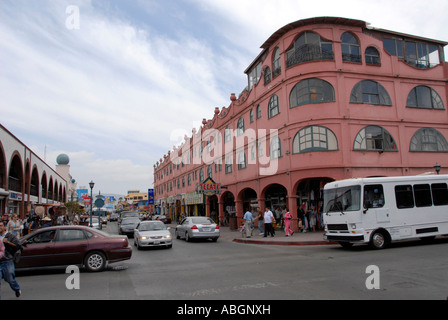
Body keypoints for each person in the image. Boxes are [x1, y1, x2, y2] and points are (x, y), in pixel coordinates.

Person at [0, 221, 22, 298]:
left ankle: (16, 289)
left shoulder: (10, 236)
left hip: (7, 260)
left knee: (9, 279)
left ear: (5, 227)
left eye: (1, 226)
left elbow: (18, 246)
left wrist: (8, 242)